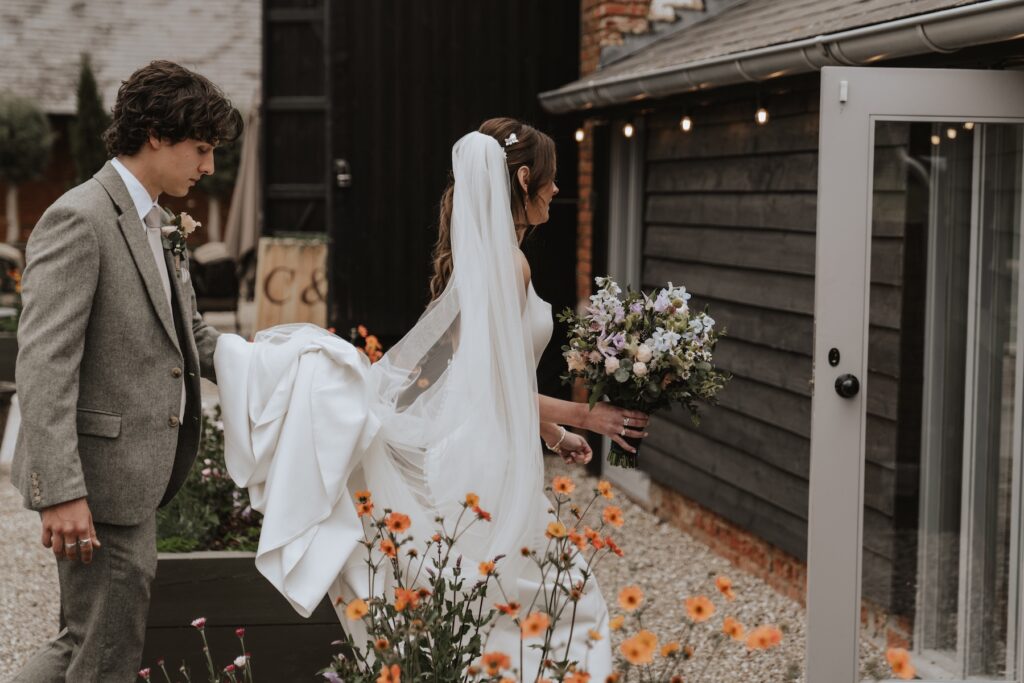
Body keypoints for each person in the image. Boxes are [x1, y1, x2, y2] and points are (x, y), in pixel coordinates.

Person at [213, 118, 648, 680]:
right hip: (490, 455)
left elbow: (494, 374)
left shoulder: (488, 260)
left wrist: (552, 433)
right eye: (551, 179)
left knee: (505, 599)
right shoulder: (508, 266)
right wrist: (590, 417)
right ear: (522, 179)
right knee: (560, 599)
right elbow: (498, 384)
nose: (558, 190)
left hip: (492, 444)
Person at [10, 61, 242, 682]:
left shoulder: (158, 221)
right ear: (157, 134)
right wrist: (60, 492)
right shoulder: (80, 218)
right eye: (202, 148)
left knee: (87, 643)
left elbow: (187, 335)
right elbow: (43, 362)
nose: (210, 167)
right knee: (103, 651)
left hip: (129, 477)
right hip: (97, 480)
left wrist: (277, 363)